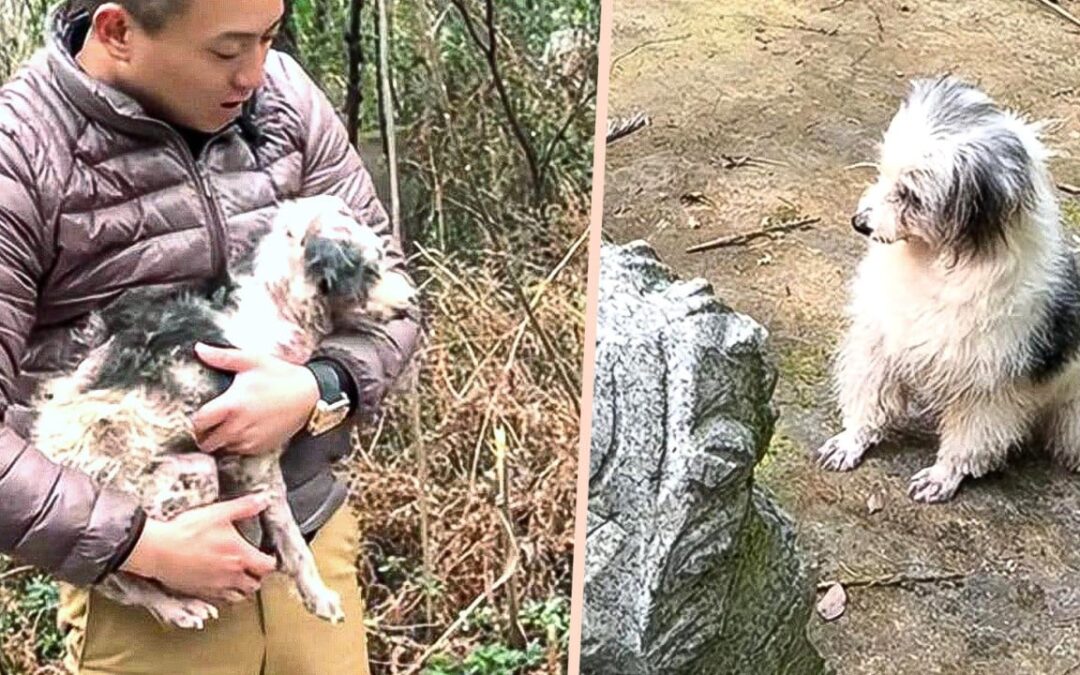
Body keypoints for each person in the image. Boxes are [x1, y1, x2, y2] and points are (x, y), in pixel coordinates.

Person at [0, 0, 419, 672]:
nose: (256, 72)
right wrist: (140, 547)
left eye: (269, 37)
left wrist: (320, 387)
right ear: (117, 31)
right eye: (228, 51)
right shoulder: (21, 151)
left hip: (306, 541)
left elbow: (393, 294)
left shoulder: (287, 101)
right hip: (148, 595)